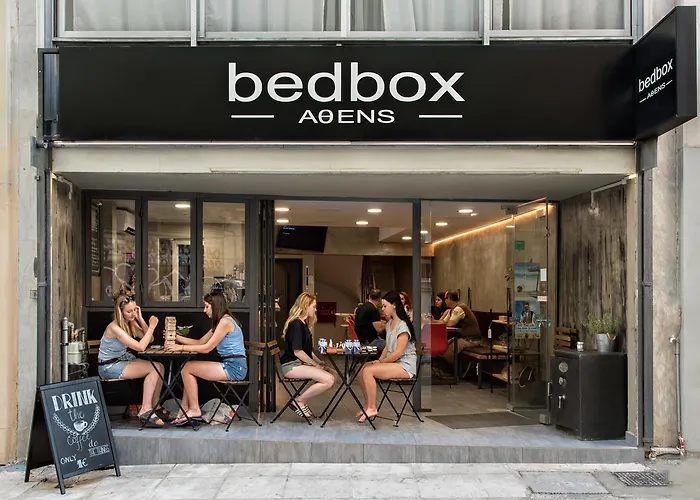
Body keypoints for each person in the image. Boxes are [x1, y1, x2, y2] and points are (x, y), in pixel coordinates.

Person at [167, 291, 247, 426]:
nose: (204, 310)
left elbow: (206, 348)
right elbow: (200, 342)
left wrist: (180, 348)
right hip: (232, 364)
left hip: (234, 367)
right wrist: (176, 337)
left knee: (187, 368)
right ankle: (185, 409)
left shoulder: (225, 322)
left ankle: (194, 409)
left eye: (206, 306)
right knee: (188, 368)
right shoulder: (220, 322)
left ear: (215, 306)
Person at [98, 294, 170, 427]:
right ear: (120, 312)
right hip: (109, 366)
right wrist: (152, 326)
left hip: (122, 360)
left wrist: (140, 319)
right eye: (129, 311)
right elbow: (141, 346)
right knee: (153, 368)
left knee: (160, 366)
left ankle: (156, 406)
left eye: (134, 310)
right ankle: (145, 409)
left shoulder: (130, 323)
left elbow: (150, 339)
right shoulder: (114, 328)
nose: (132, 314)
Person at [356, 290, 417, 423]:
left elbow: (399, 353)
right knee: (361, 369)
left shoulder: (403, 326)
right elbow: (387, 348)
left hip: (405, 365)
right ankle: (368, 405)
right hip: (394, 362)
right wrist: (379, 360)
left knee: (368, 371)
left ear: (394, 305)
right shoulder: (389, 324)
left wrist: (381, 362)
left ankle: (372, 408)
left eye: (385, 306)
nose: (382, 309)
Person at [279, 292, 338, 419]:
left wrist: (318, 362)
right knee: (329, 379)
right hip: (291, 366)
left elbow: (307, 351)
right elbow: (298, 352)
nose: (315, 310)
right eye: (314, 306)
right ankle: (299, 401)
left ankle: (301, 400)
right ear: (305, 306)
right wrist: (315, 364)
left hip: (298, 363)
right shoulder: (297, 324)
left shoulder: (303, 323)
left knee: (333, 374)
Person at [439, 290, 482, 367]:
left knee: (448, 353)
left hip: (471, 339)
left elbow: (450, 324)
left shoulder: (459, 308)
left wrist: (443, 323)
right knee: (442, 346)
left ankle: (455, 371)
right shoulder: (452, 309)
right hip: (462, 337)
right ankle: (452, 370)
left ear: (449, 298)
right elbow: (443, 322)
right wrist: (433, 321)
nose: (444, 300)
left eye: (445, 298)